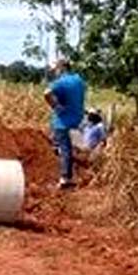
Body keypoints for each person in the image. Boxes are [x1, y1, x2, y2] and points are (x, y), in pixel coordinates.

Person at [45, 59, 86, 189]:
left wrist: (56, 106)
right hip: (78, 119)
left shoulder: (60, 82)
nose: (55, 73)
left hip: (62, 122)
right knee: (68, 147)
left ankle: (65, 178)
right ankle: (74, 172)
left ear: (61, 68)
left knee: (64, 149)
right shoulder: (79, 80)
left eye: (55, 70)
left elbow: (46, 93)